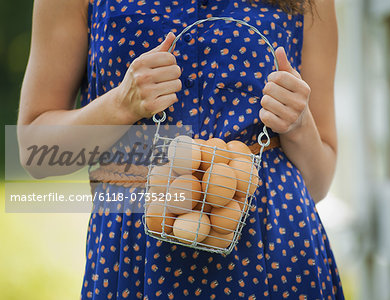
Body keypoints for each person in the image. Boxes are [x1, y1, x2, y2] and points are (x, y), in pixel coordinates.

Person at [18, 0, 343, 298]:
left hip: (275, 246)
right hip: (138, 251)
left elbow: (318, 182)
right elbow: (35, 152)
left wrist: (299, 126)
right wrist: (120, 105)